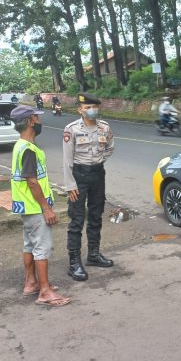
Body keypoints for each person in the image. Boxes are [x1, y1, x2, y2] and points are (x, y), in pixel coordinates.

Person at [10, 105, 70, 307]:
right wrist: (46, 208)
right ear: (30, 121)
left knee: (30, 245)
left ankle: (31, 283)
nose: (40, 121)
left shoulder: (20, 145)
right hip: (35, 207)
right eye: (37, 118)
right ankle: (45, 292)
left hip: (26, 207)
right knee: (42, 248)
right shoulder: (28, 149)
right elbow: (32, 181)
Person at [63, 93, 115, 281]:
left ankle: (93, 254)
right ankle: (74, 263)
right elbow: (67, 159)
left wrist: (98, 160)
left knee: (96, 216)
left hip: (98, 175)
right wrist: (70, 185)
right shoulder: (72, 129)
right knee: (77, 219)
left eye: (94, 107)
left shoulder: (105, 127)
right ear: (80, 110)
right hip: (79, 177)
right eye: (87, 107)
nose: (91, 110)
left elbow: (110, 147)